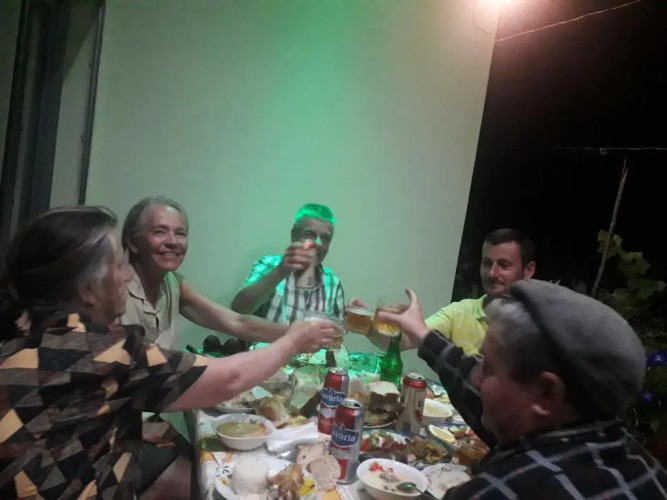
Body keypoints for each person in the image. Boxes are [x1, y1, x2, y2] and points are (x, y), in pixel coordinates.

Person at [0, 206, 336, 499]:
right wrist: (294, 341)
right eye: (118, 264)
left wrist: (297, 333)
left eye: (180, 232)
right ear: (87, 289)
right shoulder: (102, 348)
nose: (126, 275)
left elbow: (237, 323)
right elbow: (229, 379)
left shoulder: (26, 337)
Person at [377, 281, 667, 499]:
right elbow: (473, 386)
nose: (477, 379)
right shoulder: (646, 469)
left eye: (488, 366)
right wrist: (423, 335)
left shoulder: (502, 491)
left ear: (547, 393)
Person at [359, 228, 536, 355]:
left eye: (504, 265)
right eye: (487, 263)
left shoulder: (538, 324)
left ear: (528, 270)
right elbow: (403, 342)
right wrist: (368, 325)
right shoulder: (460, 312)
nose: (491, 273)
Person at [231, 203, 345, 323]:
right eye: (310, 234)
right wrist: (280, 272)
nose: (318, 243)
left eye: (325, 238)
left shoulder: (333, 282)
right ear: (294, 236)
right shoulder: (269, 264)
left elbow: (336, 330)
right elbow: (238, 310)